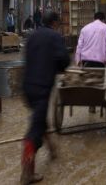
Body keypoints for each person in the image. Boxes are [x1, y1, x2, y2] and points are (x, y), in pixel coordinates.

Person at [21, 11, 70, 184]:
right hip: (43, 87)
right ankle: (27, 173)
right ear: (55, 22)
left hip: (27, 86)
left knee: (40, 119)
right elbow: (64, 60)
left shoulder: (32, 36)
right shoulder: (55, 36)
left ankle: (53, 150)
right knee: (35, 130)